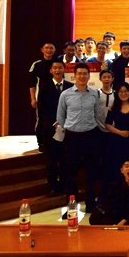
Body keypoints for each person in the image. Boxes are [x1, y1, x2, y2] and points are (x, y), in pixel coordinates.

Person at [56, 63, 101, 210]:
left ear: (89, 76)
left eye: (85, 74)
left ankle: (90, 203)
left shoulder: (94, 94)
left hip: (90, 136)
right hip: (72, 137)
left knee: (91, 171)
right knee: (70, 171)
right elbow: (60, 116)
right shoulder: (65, 94)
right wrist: (69, 128)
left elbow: (96, 114)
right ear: (74, 76)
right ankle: (71, 206)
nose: (82, 76)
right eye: (79, 73)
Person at [36, 60, 73, 193]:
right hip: (50, 129)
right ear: (51, 70)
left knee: (65, 159)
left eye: (60, 68)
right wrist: (54, 123)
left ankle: (65, 185)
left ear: (64, 70)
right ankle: (52, 186)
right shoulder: (44, 87)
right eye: (55, 68)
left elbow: (73, 107)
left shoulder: (70, 86)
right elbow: (42, 109)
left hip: (67, 129)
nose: (57, 70)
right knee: (52, 160)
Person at [104, 83, 129, 193]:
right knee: (117, 165)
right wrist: (119, 132)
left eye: (126, 91)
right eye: (121, 92)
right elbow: (107, 124)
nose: (123, 94)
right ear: (117, 93)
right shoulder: (113, 107)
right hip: (116, 141)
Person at [89, 158, 129, 226]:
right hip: (116, 216)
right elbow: (108, 205)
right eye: (126, 166)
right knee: (94, 217)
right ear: (122, 170)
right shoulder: (114, 186)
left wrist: (125, 220)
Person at [30, 42, 56, 146]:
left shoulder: (57, 63)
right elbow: (31, 83)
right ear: (42, 50)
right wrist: (33, 98)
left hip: (55, 97)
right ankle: (41, 142)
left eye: (51, 48)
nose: (49, 50)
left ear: (54, 50)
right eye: (47, 48)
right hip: (41, 97)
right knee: (41, 119)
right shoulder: (36, 65)